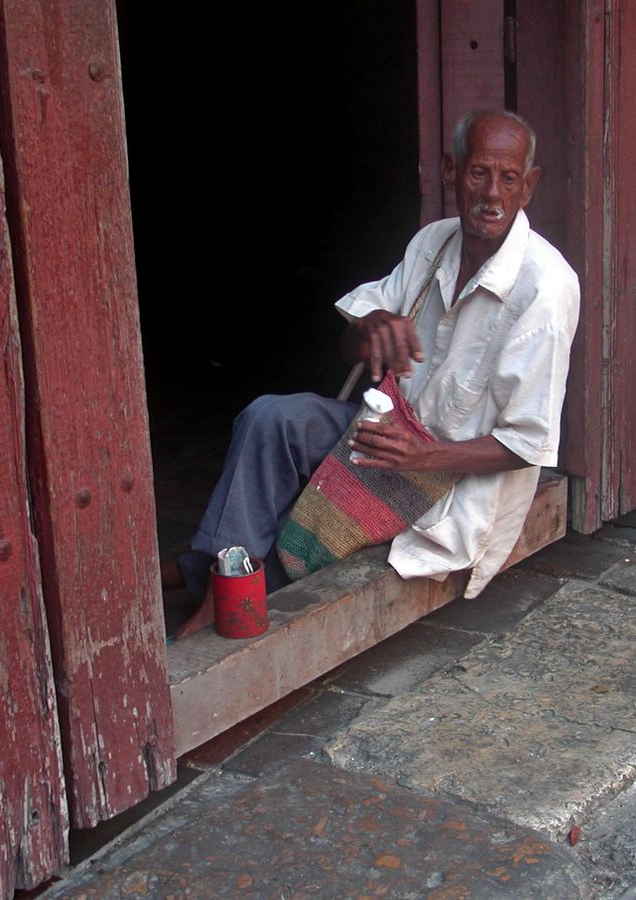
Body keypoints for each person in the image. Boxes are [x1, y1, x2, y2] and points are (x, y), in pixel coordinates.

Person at [162, 110, 579, 633]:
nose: (491, 193)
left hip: (452, 478)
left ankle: (209, 581)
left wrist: (423, 455)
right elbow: (351, 342)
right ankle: (215, 581)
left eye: (509, 177)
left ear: (529, 185)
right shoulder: (434, 243)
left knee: (320, 533)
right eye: (478, 173)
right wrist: (371, 327)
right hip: (384, 438)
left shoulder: (545, 287)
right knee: (272, 419)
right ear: (451, 172)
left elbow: (527, 443)